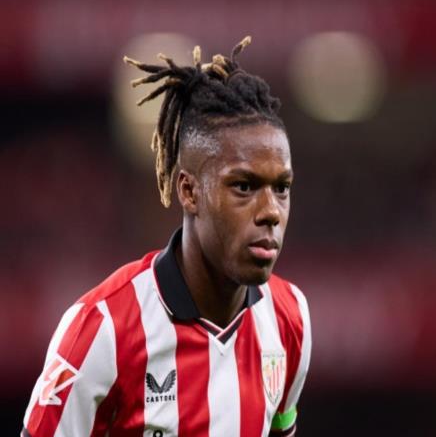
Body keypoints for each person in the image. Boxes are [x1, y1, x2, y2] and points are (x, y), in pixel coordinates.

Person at [22, 36, 311, 437]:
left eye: (281, 188)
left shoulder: (289, 318)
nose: (270, 212)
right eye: (244, 187)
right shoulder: (103, 329)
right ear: (189, 191)